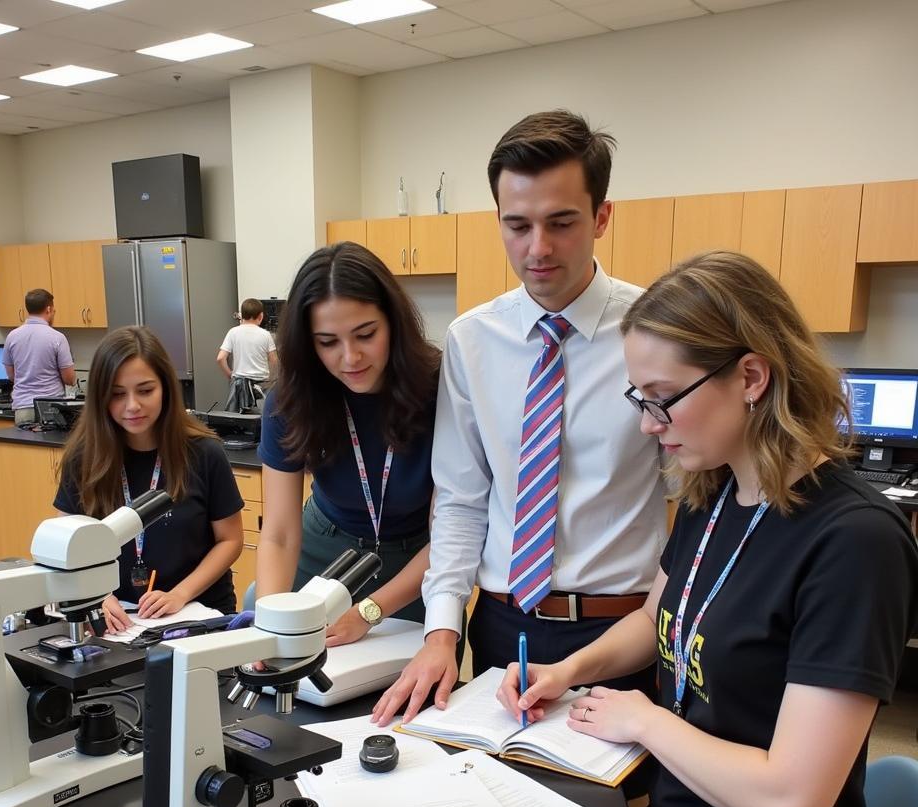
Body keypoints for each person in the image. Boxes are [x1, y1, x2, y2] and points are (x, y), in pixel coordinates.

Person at [496, 251, 918, 807]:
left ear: (751, 378)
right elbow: (657, 619)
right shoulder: (714, 491)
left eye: (663, 400)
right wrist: (572, 667)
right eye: (639, 399)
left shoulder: (853, 542)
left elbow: (792, 801)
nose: (648, 424)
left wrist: (647, 721)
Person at [372, 109, 667, 727]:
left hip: (623, 629)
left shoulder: (656, 331)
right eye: (518, 225)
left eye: (561, 223)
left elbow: (694, 494)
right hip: (503, 626)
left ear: (602, 217)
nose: (538, 248)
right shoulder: (471, 340)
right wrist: (441, 630)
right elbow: (460, 499)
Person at [255, 241, 440, 646]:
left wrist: (368, 612)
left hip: (418, 566)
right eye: (328, 342)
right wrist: (270, 624)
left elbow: (449, 536)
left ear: (392, 321)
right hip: (324, 552)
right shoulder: (290, 400)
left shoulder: (442, 389)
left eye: (365, 334)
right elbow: (280, 534)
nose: (350, 357)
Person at [54, 326, 244, 633]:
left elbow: (230, 540)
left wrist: (180, 594)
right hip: (120, 622)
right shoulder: (83, 459)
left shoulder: (205, 453)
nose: (132, 406)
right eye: (117, 394)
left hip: (196, 613)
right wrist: (96, 597)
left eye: (145, 391)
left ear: (166, 388)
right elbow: (67, 548)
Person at [3, 289, 76, 426]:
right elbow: (69, 379)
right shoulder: (57, 338)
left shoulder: (12, 336)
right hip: (51, 408)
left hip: (23, 408)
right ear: (48, 309)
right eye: (54, 310)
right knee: (50, 447)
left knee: (26, 447)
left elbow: (12, 376)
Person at [217, 297, 276, 412]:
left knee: (238, 423)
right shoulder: (265, 335)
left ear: (241, 315)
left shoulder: (233, 332)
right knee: (260, 421)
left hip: (239, 387)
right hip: (262, 388)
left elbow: (220, 358)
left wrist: (230, 375)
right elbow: (274, 361)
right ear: (261, 316)